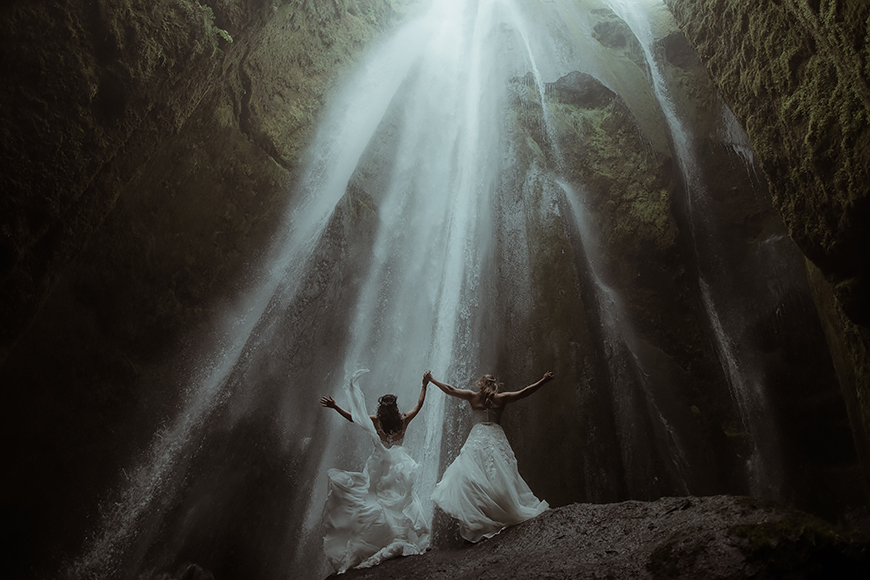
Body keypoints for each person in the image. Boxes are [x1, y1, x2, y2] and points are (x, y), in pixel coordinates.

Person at [319, 370, 430, 573]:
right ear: (395, 407)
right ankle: (398, 537)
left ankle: (378, 539)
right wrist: (425, 385)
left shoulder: (376, 421)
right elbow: (420, 404)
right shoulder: (404, 420)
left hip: (379, 465)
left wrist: (335, 407)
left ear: (381, 408)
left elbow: (354, 418)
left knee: (375, 500)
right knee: (401, 500)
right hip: (399, 465)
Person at [425, 370, 553, 542]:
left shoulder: (472, 396)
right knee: (500, 473)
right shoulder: (502, 398)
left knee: (471, 472)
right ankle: (499, 510)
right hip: (495, 436)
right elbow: (524, 392)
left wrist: (432, 379)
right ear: (495, 386)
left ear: (480, 384)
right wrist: (542, 381)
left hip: (477, 437)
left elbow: (450, 389)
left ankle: (482, 514)